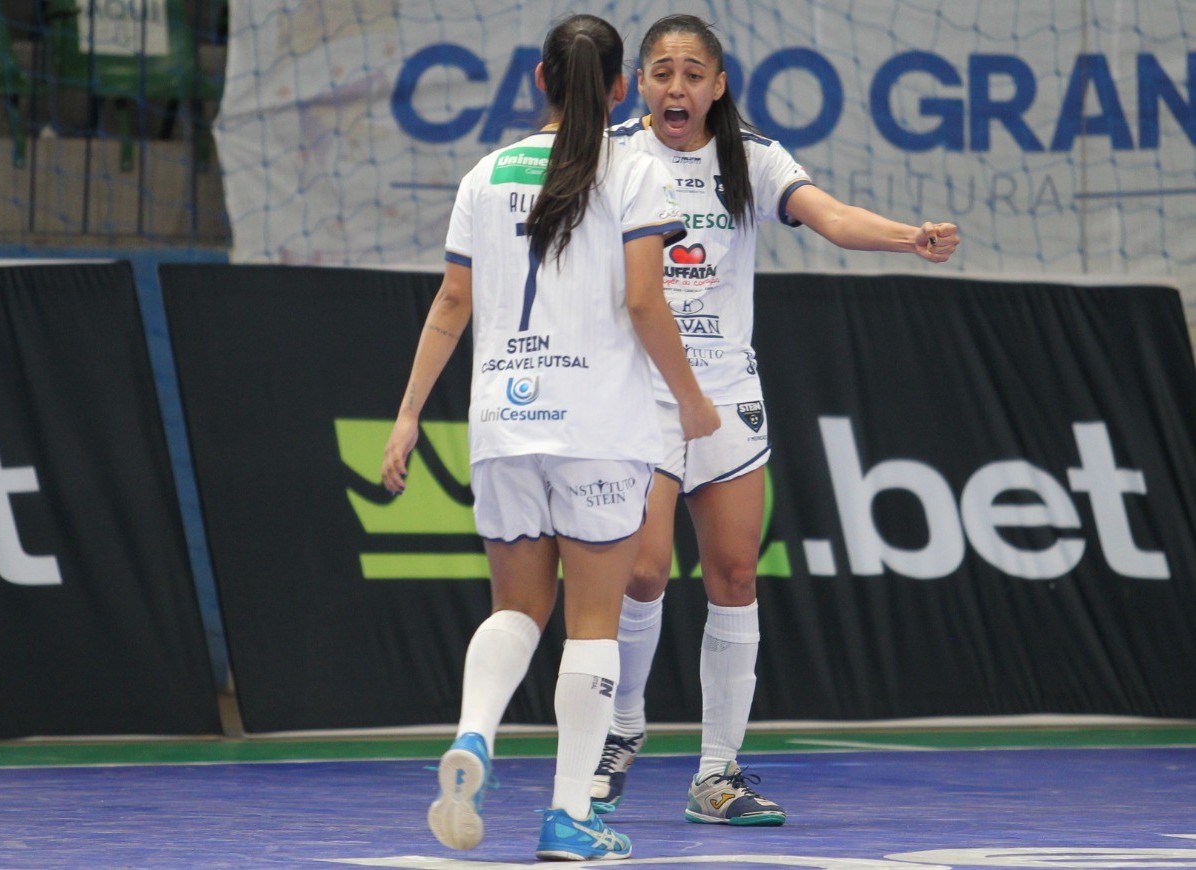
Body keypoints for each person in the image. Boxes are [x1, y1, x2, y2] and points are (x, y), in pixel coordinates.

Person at [592, 14, 961, 826]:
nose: (677, 87)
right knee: (645, 570)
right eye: (661, 72)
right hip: (641, 395)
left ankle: (717, 775)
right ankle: (620, 729)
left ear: (718, 86)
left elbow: (827, 215)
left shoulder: (750, 158)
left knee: (733, 578)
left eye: (693, 73)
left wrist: (911, 238)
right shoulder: (614, 155)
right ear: (642, 84)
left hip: (726, 396)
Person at [380, 13, 720, 862]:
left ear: (538, 79)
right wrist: (691, 401)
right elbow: (646, 303)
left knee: (516, 609)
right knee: (594, 624)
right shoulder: (635, 172)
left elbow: (450, 306)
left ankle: (474, 734)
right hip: (597, 426)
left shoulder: (485, 174)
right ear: (619, 88)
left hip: (502, 423)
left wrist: (409, 413)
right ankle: (570, 817)